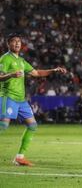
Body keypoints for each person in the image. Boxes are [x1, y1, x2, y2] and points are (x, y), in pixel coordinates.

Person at [0, 33, 67, 166]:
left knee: (32, 125)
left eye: (19, 41)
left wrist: (53, 70)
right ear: (8, 44)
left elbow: (36, 73)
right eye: (13, 41)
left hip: (21, 100)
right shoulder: (5, 59)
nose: (17, 43)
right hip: (8, 97)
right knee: (3, 126)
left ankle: (19, 157)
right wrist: (11, 74)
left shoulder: (21, 61)